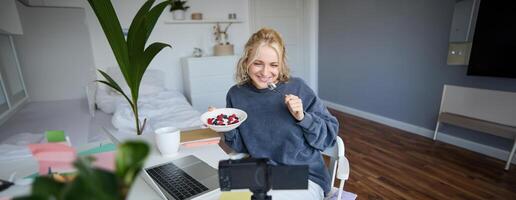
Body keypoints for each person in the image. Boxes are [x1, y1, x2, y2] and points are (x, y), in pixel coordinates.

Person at [217, 28, 339, 199]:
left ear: (281, 65)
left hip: (303, 174)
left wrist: (303, 118)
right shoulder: (236, 94)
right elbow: (241, 146)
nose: (265, 73)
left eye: (273, 65)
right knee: (216, 190)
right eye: (258, 63)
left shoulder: (298, 87)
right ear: (246, 62)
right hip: (261, 171)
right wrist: (225, 125)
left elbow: (329, 137)